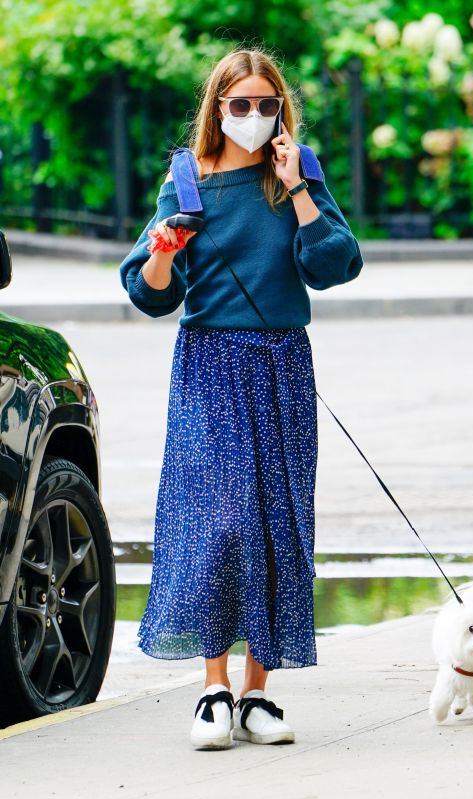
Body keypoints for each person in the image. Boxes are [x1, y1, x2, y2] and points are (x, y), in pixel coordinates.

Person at [118, 45, 363, 751]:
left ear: (280, 110)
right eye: (239, 105)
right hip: (209, 363)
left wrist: (298, 188)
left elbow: (334, 265)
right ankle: (212, 689)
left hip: (282, 360)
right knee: (216, 525)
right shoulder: (186, 180)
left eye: (266, 105)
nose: (252, 117)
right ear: (216, 109)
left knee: (273, 526)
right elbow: (150, 293)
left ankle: (259, 695)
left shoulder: (296, 174)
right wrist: (164, 250)